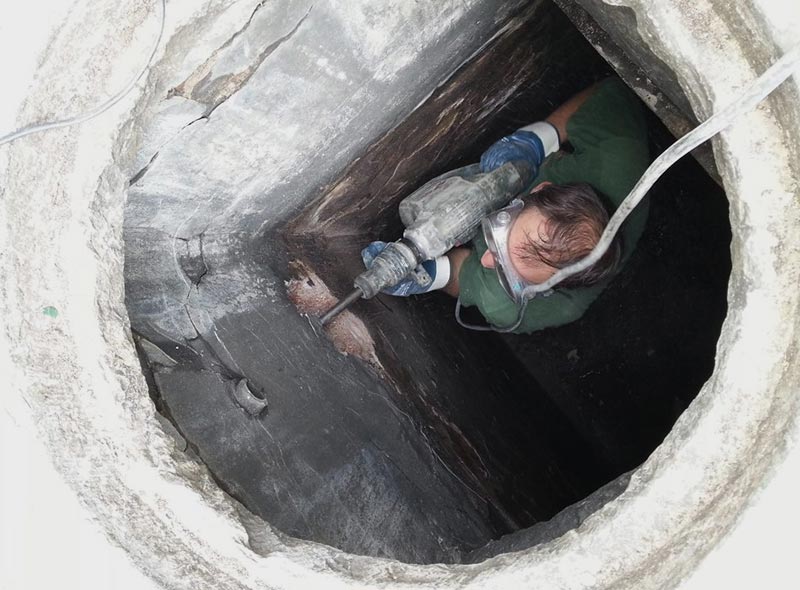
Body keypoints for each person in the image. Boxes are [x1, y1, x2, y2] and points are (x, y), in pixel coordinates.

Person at [363, 78, 650, 334]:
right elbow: (607, 91)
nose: (487, 260)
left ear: (542, 288)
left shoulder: (510, 307)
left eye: (508, 273)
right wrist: (540, 138)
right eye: (499, 228)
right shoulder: (619, 158)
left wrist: (430, 275)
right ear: (541, 188)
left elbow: (465, 276)